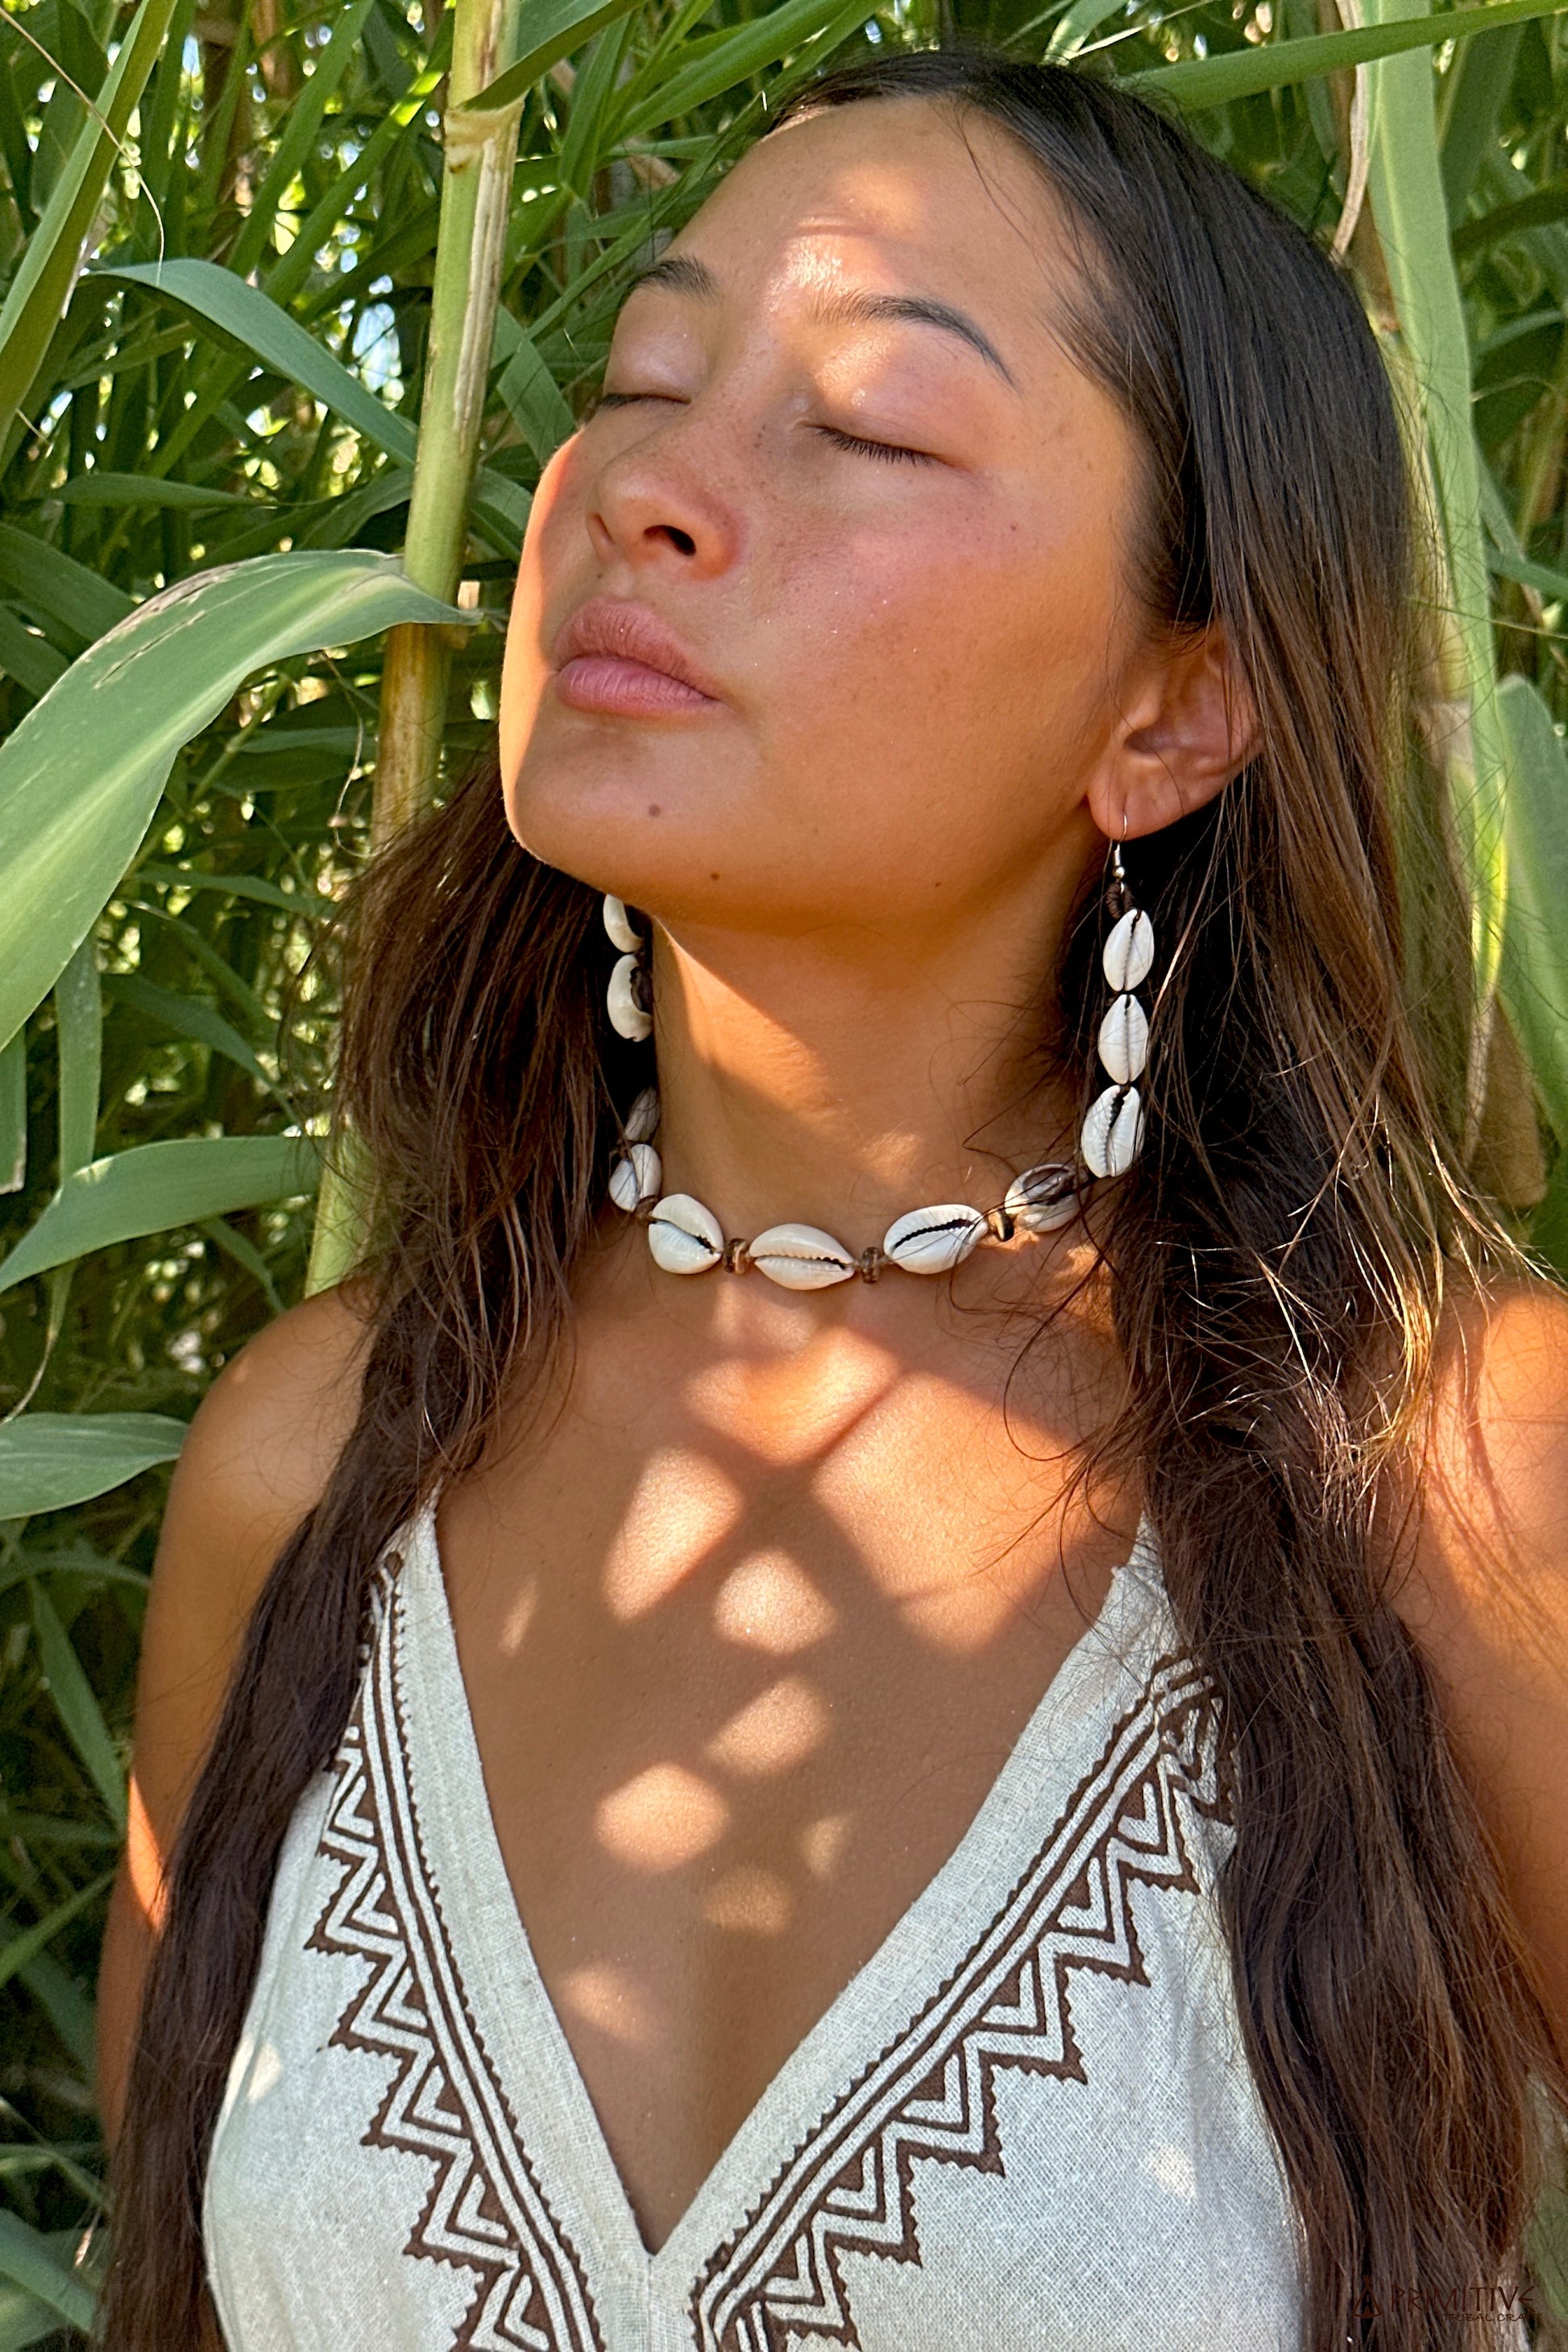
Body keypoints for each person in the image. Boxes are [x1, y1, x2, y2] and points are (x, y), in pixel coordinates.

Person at [96, 48, 1568, 2352]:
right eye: (639, 380)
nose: (644, 488)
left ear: (1173, 710)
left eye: (868, 424)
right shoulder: (316, 1460)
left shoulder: (1447, 1472)